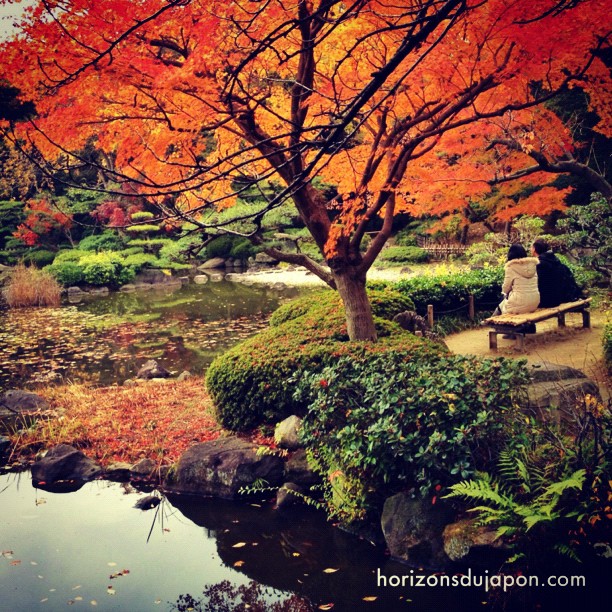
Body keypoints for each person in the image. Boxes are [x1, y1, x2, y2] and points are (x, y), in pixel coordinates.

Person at [531, 239, 583, 308]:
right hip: (559, 298)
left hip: (547, 301)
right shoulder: (555, 261)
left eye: (531, 247)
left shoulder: (540, 264)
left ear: (534, 249)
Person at [494, 243, 540, 315]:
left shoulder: (511, 267)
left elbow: (505, 289)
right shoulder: (532, 266)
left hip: (518, 304)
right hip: (534, 302)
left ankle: (490, 322)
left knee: (501, 303)